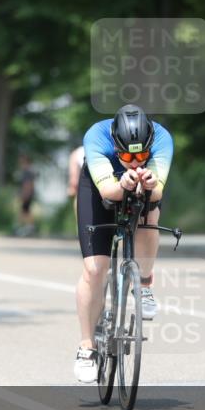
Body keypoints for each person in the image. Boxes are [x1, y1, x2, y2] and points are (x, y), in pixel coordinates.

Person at [73, 104, 173, 383]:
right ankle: (86, 348)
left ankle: (144, 283)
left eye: (142, 155)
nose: (135, 160)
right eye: (127, 155)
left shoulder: (163, 138)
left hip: (141, 190)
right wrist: (124, 184)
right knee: (95, 270)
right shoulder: (97, 136)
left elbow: (158, 192)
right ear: (114, 144)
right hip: (98, 189)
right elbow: (107, 191)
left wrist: (148, 184)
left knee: (150, 215)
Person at [15, 154, 37, 237]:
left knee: (25, 210)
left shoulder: (27, 171)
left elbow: (28, 184)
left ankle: (28, 227)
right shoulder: (29, 171)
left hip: (27, 194)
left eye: (22, 161)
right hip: (28, 194)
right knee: (25, 210)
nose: (20, 163)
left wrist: (24, 195)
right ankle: (27, 227)